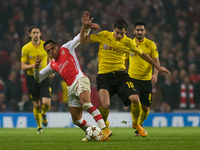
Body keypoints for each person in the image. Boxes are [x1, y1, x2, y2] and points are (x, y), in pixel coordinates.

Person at [79, 11, 170, 137]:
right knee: (105, 105)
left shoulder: (128, 42)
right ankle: (104, 126)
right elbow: (83, 39)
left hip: (121, 76)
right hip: (104, 76)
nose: (119, 36)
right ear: (113, 29)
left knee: (135, 99)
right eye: (117, 32)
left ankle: (136, 124)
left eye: (122, 33)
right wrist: (85, 26)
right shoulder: (104, 35)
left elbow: (143, 54)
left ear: (126, 31)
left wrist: (158, 67)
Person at [34, 22, 112, 142]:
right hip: (70, 87)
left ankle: (104, 128)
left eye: (52, 49)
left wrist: (85, 26)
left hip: (80, 79)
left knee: (86, 103)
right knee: (76, 119)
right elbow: (38, 78)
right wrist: (35, 69)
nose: (51, 52)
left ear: (57, 47)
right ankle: (92, 132)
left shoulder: (66, 48)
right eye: (48, 51)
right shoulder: (52, 65)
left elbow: (80, 38)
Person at [127, 21, 160, 136]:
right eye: (138, 30)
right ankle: (135, 123)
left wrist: (155, 74)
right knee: (135, 100)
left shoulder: (151, 44)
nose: (140, 32)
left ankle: (139, 124)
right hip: (132, 78)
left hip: (146, 80)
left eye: (142, 30)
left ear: (145, 31)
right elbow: (124, 60)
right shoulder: (129, 44)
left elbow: (157, 63)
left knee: (145, 108)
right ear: (134, 31)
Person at [21, 26, 52, 134]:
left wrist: (51, 69)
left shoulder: (46, 45)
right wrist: (34, 65)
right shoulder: (25, 48)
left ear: (40, 34)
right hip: (31, 78)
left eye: (37, 32)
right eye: (33, 32)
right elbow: (23, 66)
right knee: (36, 105)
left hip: (43, 76)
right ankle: (39, 126)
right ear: (30, 34)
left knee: (46, 103)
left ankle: (43, 113)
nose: (35, 34)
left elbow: (52, 57)